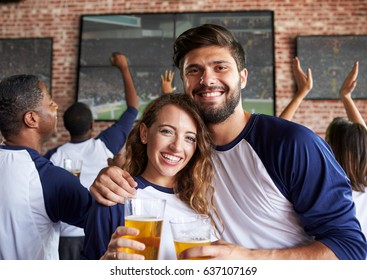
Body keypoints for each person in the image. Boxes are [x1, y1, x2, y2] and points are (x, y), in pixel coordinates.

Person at [89, 24, 367, 260]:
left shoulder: (292, 143)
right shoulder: (188, 154)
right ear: (184, 83)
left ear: (243, 77)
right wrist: (109, 177)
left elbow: (351, 249)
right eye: (194, 71)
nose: (207, 79)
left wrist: (249, 258)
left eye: (220, 67)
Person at [82, 93, 220, 260]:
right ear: (144, 134)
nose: (177, 147)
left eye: (189, 138)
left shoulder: (203, 200)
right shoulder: (115, 198)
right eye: (167, 131)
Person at [43, 52, 139, 260]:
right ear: (92, 125)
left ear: (66, 127)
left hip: (65, 239)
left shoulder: (52, 156)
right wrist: (123, 68)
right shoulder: (106, 144)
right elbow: (133, 107)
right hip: (96, 230)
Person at [0, 74, 94, 260]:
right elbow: (104, 222)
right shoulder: (50, 179)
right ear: (31, 119)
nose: (56, 107)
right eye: (50, 102)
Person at [281, 60, 367, 249]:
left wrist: (301, 93)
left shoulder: (318, 182)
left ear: (329, 145)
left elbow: (274, 140)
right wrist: (346, 97)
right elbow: (362, 137)